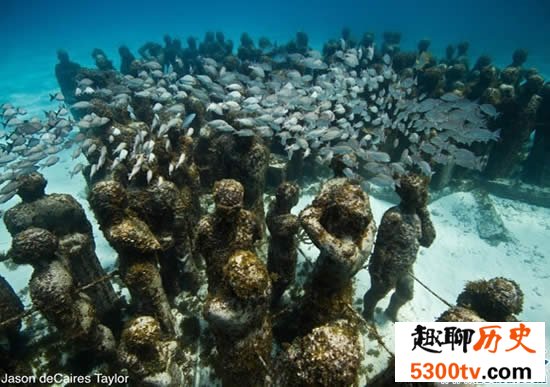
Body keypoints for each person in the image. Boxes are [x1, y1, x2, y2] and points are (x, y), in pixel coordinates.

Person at [363, 173, 436, 321]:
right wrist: (377, 272)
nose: (424, 196)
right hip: (387, 268)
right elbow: (380, 247)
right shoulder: (393, 217)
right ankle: (367, 313)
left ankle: (391, 311)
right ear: (407, 195)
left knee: (406, 294)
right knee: (377, 293)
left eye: (423, 192)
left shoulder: (419, 216)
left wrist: (424, 213)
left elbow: (428, 241)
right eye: (419, 193)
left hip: (406, 267)